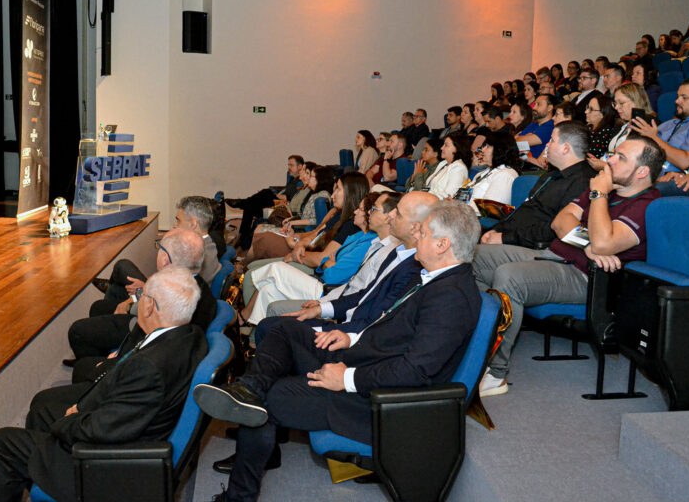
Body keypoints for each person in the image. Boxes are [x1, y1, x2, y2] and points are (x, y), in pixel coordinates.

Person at [195, 199, 482, 502]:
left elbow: (415, 371)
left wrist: (347, 378)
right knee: (281, 328)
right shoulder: (436, 279)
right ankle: (248, 388)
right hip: (362, 361)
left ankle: (239, 495)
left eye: (422, 233)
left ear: (442, 244)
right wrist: (350, 343)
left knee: (270, 397)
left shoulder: (451, 297)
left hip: (376, 400)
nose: (416, 237)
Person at [0, 267, 209, 502]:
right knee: (43, 409)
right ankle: (41, 474)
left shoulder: (149, 368)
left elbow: (102, 429)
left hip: (109, 468)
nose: (138, 302)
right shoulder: (190, 334)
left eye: (142, 295)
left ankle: (46, 472)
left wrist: (71, 418)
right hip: (133, 432)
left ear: (150, 306)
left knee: (0, 445)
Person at [475, 135, 666, 397]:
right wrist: (587, 245)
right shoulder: (601, 188)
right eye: (614, 153)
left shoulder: (645, 205)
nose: (609, 160)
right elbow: (560, 222)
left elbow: (604, 243)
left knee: (510, 277)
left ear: (642, 172)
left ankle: (495, 374)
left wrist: (599, 197)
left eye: (621, 157)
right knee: (475, 257)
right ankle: (475, 346)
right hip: (555, 255)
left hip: (586, 278)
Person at [66, 228, 217, 379]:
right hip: (156, 342)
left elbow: (149, 330)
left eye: (159, 247)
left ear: (165, 258)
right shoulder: (195, 287)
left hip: (142, 340)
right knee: (99, 307)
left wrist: (117, 359)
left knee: (77, 336)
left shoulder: (174, 291)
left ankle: (97, 375)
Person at [243, 192, 378, 325]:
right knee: (267, 290)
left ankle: (243, 316)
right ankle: (252, 337)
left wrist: (328, 262)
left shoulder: (367, 243)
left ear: (369, 214)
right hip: (321, 278)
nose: (355, 212)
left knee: (275, 268)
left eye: (360, 209)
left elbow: (333, 274)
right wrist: (329, 262)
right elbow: (329, 258)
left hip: (326, 290)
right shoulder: (357, 236)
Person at [478, 121, 595, 249]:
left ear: (566, 148)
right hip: (511, 237)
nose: (547, 145)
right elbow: (525, 212)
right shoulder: (550, 176)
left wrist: (504, 237)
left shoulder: (583, 182)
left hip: (531, 246)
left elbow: (554, 229)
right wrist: (495, 230)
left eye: (552, 140)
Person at [630, 77, 689, 175]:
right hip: (643, 170)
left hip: (666, 178)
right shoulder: (672, 123)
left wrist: (654, 138)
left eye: (684, 97)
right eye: (678, 96)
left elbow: (685, 161)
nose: (677, 101)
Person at [226, 155, 304, 250]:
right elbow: (286, 192)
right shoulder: (292, 180)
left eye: (291, 165)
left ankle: (241, 203)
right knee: (249, 207)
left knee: (265, 192)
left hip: (283, 208)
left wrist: (279, 196)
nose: (289, 168)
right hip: (279, 203)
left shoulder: (301, 181)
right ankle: (243, 238)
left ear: (300, 167)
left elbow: (291, 198)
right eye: (288, 165)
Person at [587, 83, 653, 171]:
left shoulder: (647, 124)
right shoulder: (621, 125)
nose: (617, 107)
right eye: (615, 103)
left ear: (636, 101)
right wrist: (598, 161)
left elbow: (637, 163)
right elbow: (611, 153)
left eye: (621, 103)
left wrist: (606, 166)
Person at [464, 132, 521, 212]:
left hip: (478, 220)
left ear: (500, 149)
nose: (482, 150)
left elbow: (491, 209)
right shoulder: (483, 173)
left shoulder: (505, 174)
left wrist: (460, 207)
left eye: (487, 146)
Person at [426, 132, 472, 199]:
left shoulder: (459, 168)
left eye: (446, 145)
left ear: (457, 149)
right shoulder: (443, 163)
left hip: (440, 206)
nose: (441, 148)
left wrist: (426, 197)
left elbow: (449, 196)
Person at [515, 93, 555, 159]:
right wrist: (523, 139)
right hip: (523, 161)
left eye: (539, 104)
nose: (534, 107)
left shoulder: (550, 127)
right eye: (535, 104)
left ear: (549, 108)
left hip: (535, 166)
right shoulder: (533, 124)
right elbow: (514, 141)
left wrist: (520, 138)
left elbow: (517, 142)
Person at [585, 93, 620, 158]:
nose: (586, 111)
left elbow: (591, 156)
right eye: (587, 107)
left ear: (603, 114)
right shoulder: (589, 127)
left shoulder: (605, 132)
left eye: (591, 109)